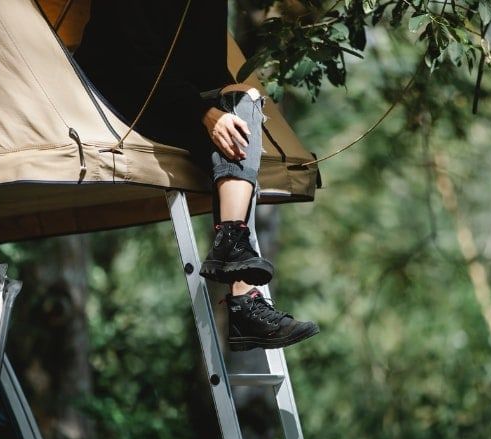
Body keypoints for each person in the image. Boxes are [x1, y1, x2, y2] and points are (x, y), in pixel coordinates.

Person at [75, 0, 319, 351]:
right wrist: (204, 113)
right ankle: (240, 284)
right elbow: (129, 61)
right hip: (112, 99)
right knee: (232, 119)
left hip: (173, 101)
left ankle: (235, 265)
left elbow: (207, 69)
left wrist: (228, 107)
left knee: (244, 106)